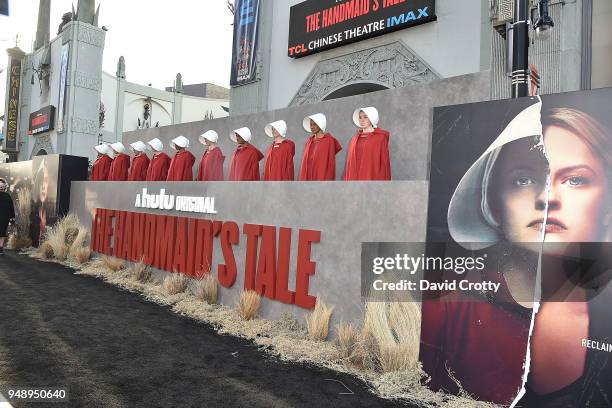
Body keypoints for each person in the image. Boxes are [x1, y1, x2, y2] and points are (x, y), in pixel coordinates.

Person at [421, 100, 612, 407]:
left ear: (607, 204)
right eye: (523, 179)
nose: (546, 197)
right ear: (494, 202)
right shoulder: (449, 305)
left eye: (575, 179)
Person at [344, 107, 391, 180]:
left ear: (371, 118)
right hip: (354, 179)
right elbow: (349, 164)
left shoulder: (380, 138)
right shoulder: (354, 139)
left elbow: (384, 163)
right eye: (360, 117)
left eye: (365, 117)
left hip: (371, 177)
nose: (362, 120)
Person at [298, 113, 342, 180]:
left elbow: (330, 164)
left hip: (322, 179)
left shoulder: (329, 141)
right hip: (307, 181)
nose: (312, 127)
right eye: (311, 124)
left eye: (314, 124)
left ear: (321, 124)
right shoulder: (309, 142)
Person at [0, 179, 15, 254]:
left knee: (2, 232)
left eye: (2, 184)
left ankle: (1, 247)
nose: (1, 185)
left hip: (5, 217)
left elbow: (11, 207)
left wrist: (12, 217)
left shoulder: (7, 196)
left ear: (4, 185)